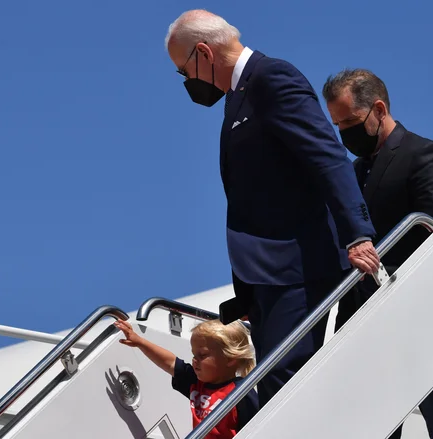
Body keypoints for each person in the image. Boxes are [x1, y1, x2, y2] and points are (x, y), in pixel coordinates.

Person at [164, 9, 380, 408]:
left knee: (285, 379)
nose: (188, 82)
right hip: (266, 275)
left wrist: (358, 233)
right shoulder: (236, 99)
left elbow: (326, 156)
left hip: (297, 265)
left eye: (184, 71)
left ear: (203, 53)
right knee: (273, 382)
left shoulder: (272, 78)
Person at [323, 68, 433, 439]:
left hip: (426, 317)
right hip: (366, 325)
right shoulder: (352, 174)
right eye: (337, 125)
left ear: (379, 109)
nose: (344, 134)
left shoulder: (422, 154)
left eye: (351, 122)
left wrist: (377, 263)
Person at [114, 319, 259, 438]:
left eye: (202, 355)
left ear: (230, 358)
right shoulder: (196, 383)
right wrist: (139, 341)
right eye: (194, 355)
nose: (195, 360)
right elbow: (170, 362)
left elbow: (258, 427)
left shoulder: (242, 393)